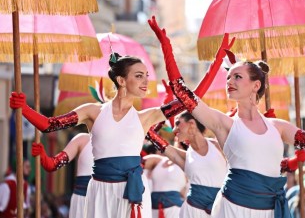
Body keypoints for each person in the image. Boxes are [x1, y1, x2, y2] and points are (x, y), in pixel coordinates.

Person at [9, 32, 236, 217]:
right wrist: (24, 108)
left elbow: (191, 99)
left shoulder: (145, 118)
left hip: (131, 194)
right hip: (98, 192)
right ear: (121, 80)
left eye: (146, 75)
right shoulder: (93, 111)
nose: (146, 81)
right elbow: (50, 125)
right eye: (139, 76)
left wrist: (207, 59)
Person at [147, 15, 305, 218]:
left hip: (269, 211)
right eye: (228, 77)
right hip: (233, 208)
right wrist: (166, 46)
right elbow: (182, 92)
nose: (229, 81)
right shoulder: (224, 123)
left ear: (256, 85)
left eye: (237, 77)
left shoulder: (278, 126)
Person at [31, 133, 93, 218]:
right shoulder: (83, 140)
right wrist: (43, 156)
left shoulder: (117, 145)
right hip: (83, 202)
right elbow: (53, 164)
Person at [143, 150, 187, 218]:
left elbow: (185, 191)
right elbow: (138, 162)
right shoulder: (158, 160)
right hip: (154, 205)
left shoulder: (186, 163)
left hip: (173, 206)